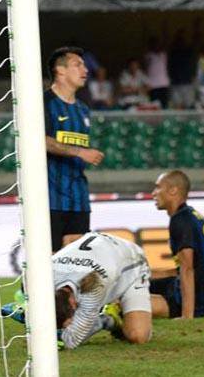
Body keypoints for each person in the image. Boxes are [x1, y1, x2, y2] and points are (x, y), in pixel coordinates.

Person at [45, 47, 104, 252]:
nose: (85, 70)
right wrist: (80, 152)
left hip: (79, 198)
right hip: (49, 197)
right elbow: (40, 141)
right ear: (60, 70)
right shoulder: (44, 103)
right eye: (78, 65)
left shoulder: (83, 109)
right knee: (49, 260)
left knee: (75, 259)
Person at [53, 232, 152, 349]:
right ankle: (111, 315)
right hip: (98, 256)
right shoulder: (43, 277)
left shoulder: (93, 285)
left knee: (138, 336)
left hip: (132, 264)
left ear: (73, 303)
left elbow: (71, 340)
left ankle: (105, 319)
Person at [150, 170, 204, 319]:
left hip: (193, 301)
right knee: (134, 285)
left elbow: (187, 269)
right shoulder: (190, 215)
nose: (153, 193)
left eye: (158, 187)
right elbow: (192, 266)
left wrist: (187, 316)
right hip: (201, 292)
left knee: (127, 301)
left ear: (173, 190)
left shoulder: (181, 221)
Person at [144, 36, 171, 109]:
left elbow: (166, 44)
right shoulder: (148, 56)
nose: (156, 46)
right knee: (154, 106)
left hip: (164, 84)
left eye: (157, 44)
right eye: (154, 44)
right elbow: (145, 67)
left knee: (164, 105)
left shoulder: (163, 55)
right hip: (153, 85)